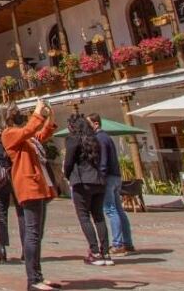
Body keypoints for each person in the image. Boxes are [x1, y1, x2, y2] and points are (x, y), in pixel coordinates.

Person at [1, 100, 60, 291]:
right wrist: (37, 112)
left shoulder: (25, 137)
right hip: (29, 186)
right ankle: (33, 279)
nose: (20, 114)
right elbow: (29, 130)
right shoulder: (9, 134)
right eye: (17, 112)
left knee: (37, 234)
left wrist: (49, 116)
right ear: (9, 116)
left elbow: (40, 135)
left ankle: (38, 275)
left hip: (39, 185)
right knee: (32, 234)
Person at [63, 114, 112, 267]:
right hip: (98, 181)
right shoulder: (95, 138)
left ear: (72, 126)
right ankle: (106, 253)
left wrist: (67, 175)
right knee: (99, 217)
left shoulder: (73, 139)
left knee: (84, 217)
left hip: (82, 181)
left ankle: (95, 252)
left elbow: (69, 162)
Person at [89, 113, 135, 256]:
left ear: (96, 124)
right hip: (115, 176)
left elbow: (103, 161)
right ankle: (127, 242)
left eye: (89, 124)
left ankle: (118, 244)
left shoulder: (100, 138)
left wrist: (100, 178)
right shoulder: (107, 137)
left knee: (110, 210)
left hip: (108, 178)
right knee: (119, 210)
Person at [0, 117, 25, 263]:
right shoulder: (15, 141)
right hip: (16, 177)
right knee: (22, 214)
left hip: (0, 179)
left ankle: (2, 249)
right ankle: (26, 249)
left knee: (1, 214)